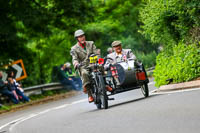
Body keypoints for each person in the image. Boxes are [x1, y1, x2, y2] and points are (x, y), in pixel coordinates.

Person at [70, 29, 100, 102]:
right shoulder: (74, 48)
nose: (82, 38)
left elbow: (97, 53)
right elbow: (74, 59)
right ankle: (89, 94)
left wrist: (98, 58)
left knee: (101, 67)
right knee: (84, 73)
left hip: (93, 63)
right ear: (77, 39)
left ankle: (105, 85)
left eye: (82, 36)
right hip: (83, 66)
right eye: (80, 37)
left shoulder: (91, 43)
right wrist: (76, 64)